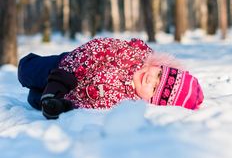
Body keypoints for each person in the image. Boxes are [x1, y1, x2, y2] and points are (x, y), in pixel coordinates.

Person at [18, 37, 204, 119]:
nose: (150, 79)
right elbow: (96, 49)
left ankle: (47, 98)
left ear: (152, 101)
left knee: (34, 99)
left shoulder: (128, 103)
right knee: (25, 71)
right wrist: (61, 81)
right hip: (65, 68)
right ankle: (44, 83)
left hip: (67, 96)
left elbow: (94, 106)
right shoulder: (132, 55)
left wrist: (66, 105)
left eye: (155, 89)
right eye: (159, 74)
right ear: (161, 64)